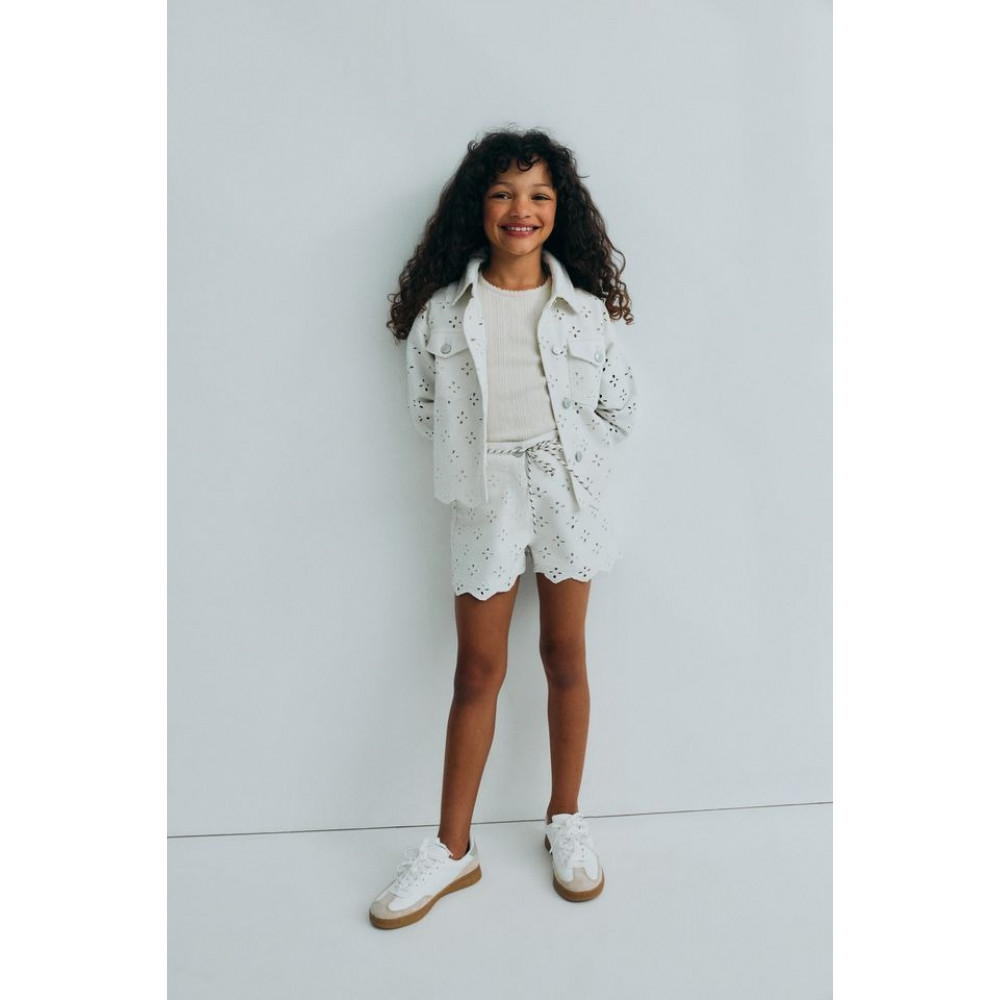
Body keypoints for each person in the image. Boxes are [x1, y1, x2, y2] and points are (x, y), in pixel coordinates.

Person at [369, 128, 638, 930]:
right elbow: (426, 407)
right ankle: (453, 848)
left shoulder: (587, 315)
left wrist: (566, 459)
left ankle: (566, 818)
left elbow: (618, 410)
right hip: (484, 495)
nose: (522, 209)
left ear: (561, 210)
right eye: (503, 193)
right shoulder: (443, 315)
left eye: (539, 195)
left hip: (567, 491)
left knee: (564, 654)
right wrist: (480, 460)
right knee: (477, 669)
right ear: (476, 208)